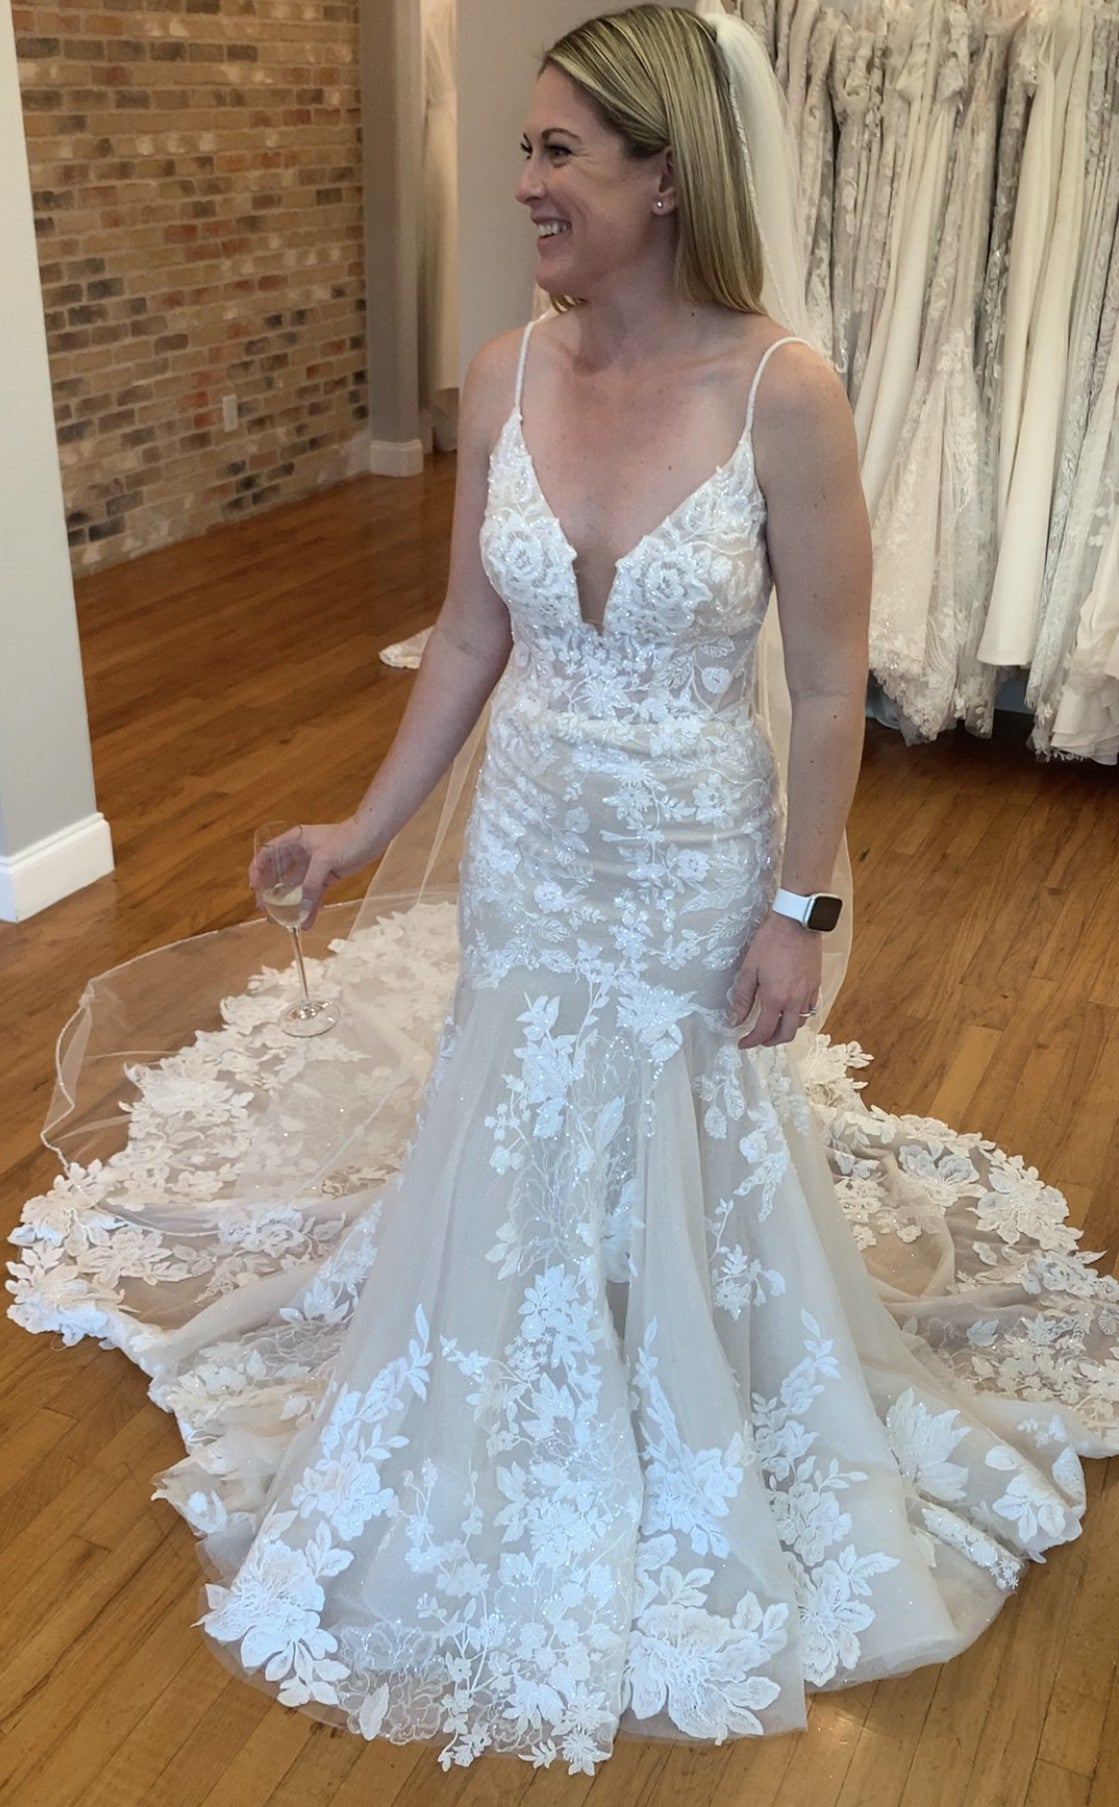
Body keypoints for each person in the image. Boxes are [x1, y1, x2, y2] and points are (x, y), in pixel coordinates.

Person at [8, 5, 1118, 1777]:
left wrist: (800, 910)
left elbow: (827, 686)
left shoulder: (784, 392)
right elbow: (469, 634)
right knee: (516, 1114)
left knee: (680, 1127)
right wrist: (361, 829)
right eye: (523, 147)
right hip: (532, 844)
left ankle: (686, 1382)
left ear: (665, 178)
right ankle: (516, 1373)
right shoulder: (503, 373)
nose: (523, 183)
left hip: (692, 853)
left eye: (557, 153)